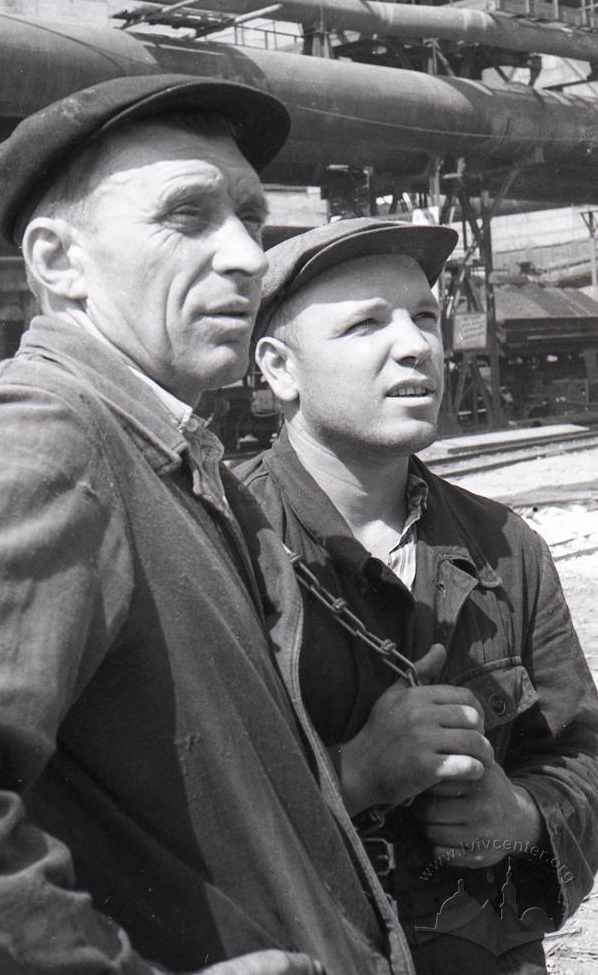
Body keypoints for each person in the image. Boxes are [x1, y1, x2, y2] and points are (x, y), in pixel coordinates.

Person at [0, 81, 415, 975]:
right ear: (59, 261)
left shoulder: (167, 452)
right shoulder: (43, 435)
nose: (248, 256)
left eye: (253, 218)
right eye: (189, 215)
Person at [237, 217, 598, 974]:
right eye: (367, 322)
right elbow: (173, 812)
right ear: (278, 367)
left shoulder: (506, 545)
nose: (415, 344)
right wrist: (355, 775)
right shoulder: (224, 545)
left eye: (425, 316)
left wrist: (521, 816)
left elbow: (582, 754)